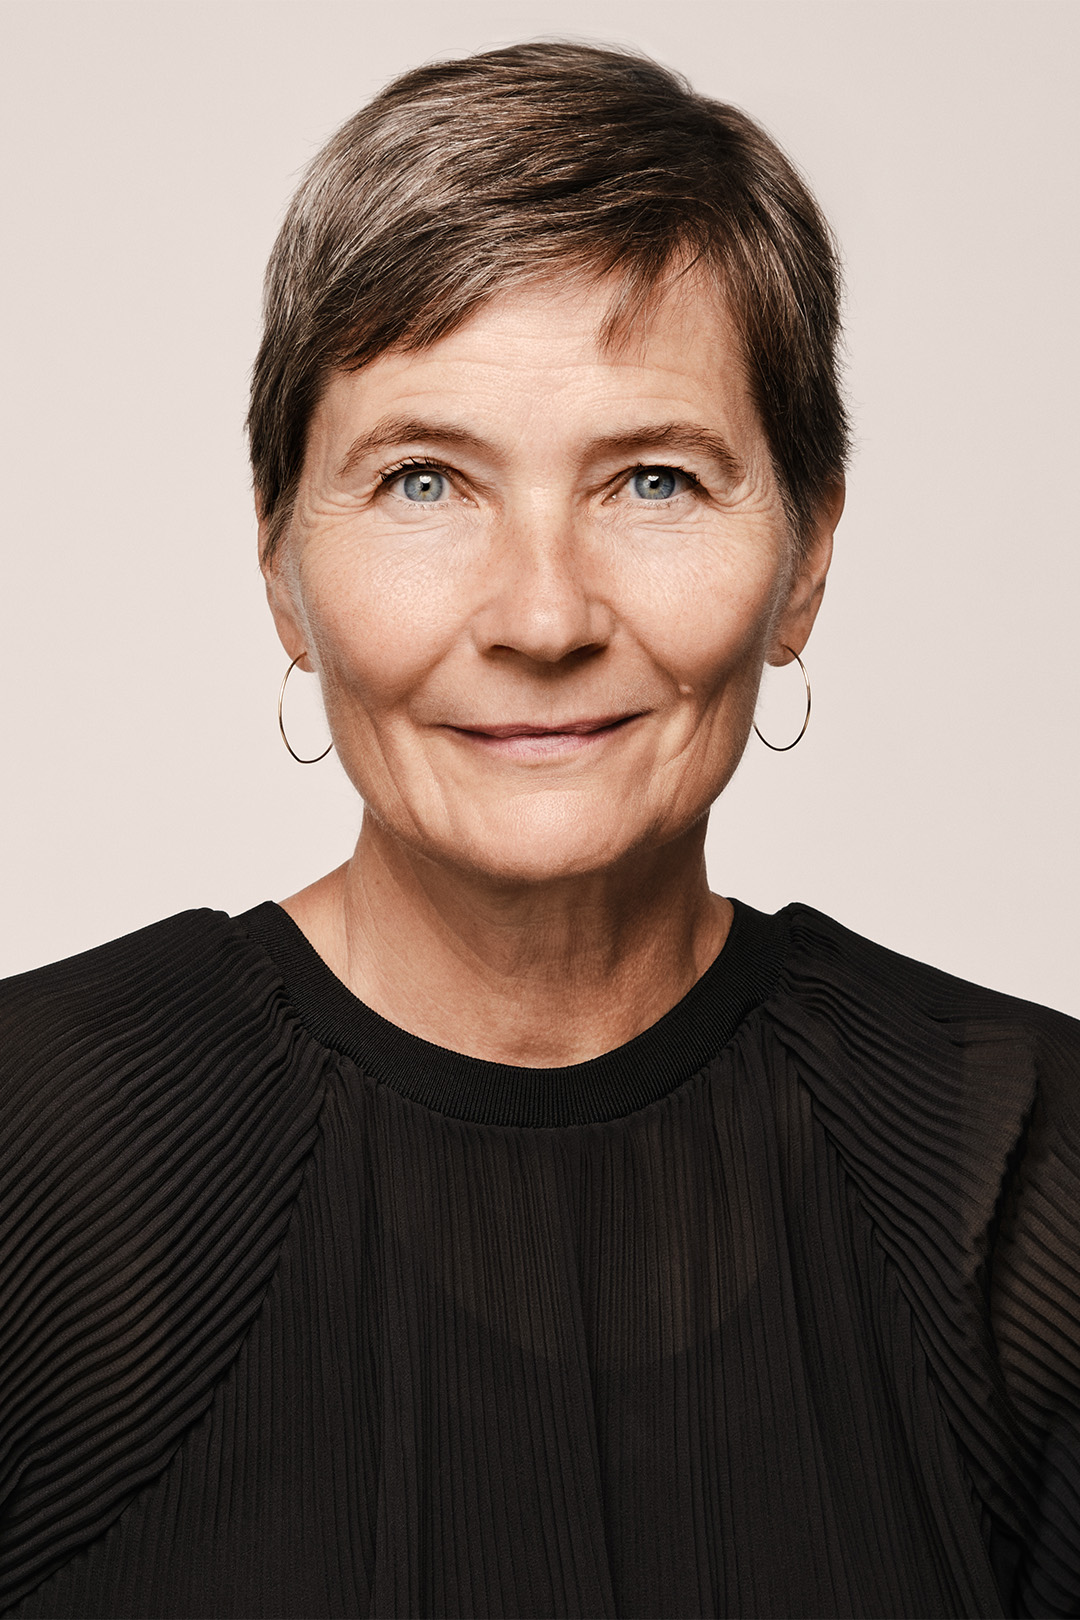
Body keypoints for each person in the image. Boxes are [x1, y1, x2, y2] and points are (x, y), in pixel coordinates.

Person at [0, 38, 1076, 1620]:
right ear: (280, 565)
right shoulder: (28, 1152)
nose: (543, 617)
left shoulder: (1029, 1173)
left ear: (807, 560)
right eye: (424, 482)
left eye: (654, 481)